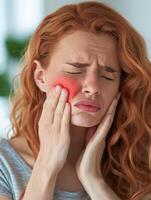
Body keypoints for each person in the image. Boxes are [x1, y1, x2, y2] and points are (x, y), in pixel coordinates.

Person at [0, 1, 151, 200]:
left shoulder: (136, 165)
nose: (93, 87)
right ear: (40, 76)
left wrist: (93, 180)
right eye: (75, 70)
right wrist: (46, 165)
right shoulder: (5, 164)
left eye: (108, 76)